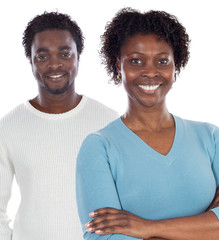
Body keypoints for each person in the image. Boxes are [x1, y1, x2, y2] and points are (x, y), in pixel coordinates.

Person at [76, 8, 219, 240]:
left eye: (162, 61)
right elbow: (103, 237)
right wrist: (203, 226)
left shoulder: (210, 137)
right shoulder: (99, 147)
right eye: (136, 61)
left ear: (176, 65)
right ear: (117, 66)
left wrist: (146, 227)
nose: (150, 72)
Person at [0, 12, 118, 240]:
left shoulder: (109, 121)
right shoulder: (7, 128)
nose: (54, 64)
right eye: (42, 56)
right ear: (31, 60)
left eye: (64, 54)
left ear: (78, 57)